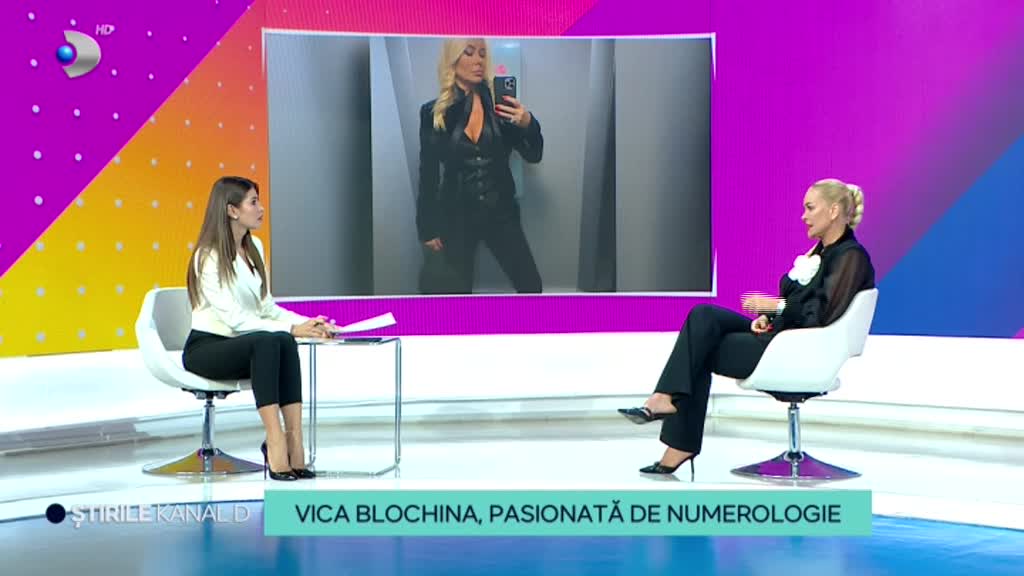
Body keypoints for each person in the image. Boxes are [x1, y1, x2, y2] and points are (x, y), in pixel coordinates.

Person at [618, 178, 876, 476]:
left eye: (810, 208)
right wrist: (769, 318)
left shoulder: (851, 257)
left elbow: (819, 315)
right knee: (704, 316)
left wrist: (775, 307)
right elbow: (798, 307)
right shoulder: (818, 253)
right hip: (782, 338)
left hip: (798, 352)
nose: (803, 216)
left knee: (700, 348)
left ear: (833, 211)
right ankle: (664, 402)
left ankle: (674, 428)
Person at [182, 176, 335, 481]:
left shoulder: (255, 249)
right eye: (253, 202)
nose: (261, 208)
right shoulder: (207, 256)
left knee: (283, 341)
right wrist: (292, 327)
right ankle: (275, 441)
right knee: (269, 340)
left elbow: (267, 308)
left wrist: (306, 324)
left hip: (247, 344)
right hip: (208, 348)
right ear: (231, 210)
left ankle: (294, 441)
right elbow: (235, 319)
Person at [416, 38, 544, 294]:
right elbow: (428, 173)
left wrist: (529, 123)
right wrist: (427, 227)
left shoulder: (500, 107)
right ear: (453, 59)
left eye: (483, 54)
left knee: (531, 287)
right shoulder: (433, 112)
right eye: (469, 53)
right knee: (455, 297)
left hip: (501, 213)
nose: (478, 61)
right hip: (456, 216)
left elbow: (534, 155)